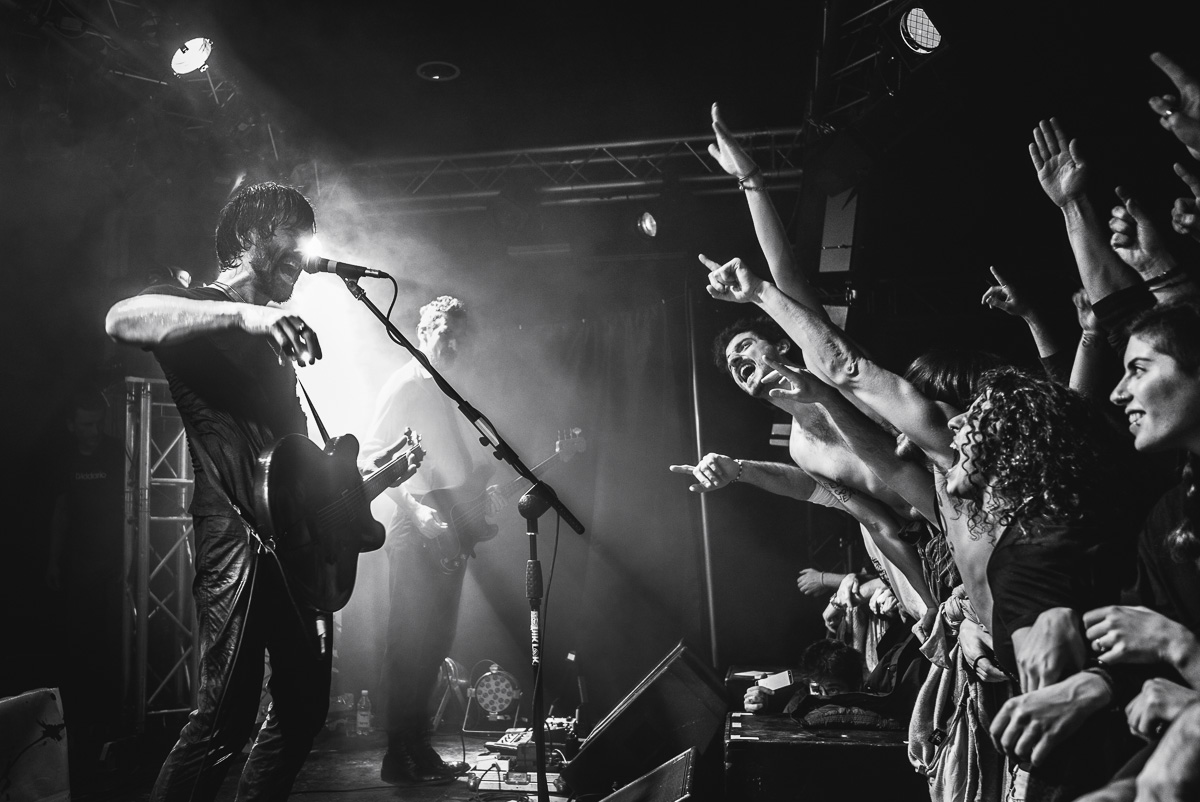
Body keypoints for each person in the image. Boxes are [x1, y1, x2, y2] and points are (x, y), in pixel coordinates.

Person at [104, 182, 412, 801]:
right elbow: (120, 319)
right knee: (224, 719)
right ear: (250, 236)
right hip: (237, 543)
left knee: (302, 707)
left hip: (287, 548)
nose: (305, 253)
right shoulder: (203, 307)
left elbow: (295, 477)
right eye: (293, 235)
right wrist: (248, 315)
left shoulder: (276, 344)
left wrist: (371, 481)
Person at [359, 295, 503, 787]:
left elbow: (457, 465)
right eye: (445, 334)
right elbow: (370, 456)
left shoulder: (451, 391)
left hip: (450, 528)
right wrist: (414, 508)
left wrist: (482, 496)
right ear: (423, 334)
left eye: (461, 336)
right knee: (408, 643)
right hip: (416, 524)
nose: (454, 344)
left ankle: (417, 747)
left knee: (436, 642)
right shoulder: (406, 383)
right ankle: (396, 754)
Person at [45, 388, 126, 791]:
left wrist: (130, 563)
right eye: (86, 424)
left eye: (98, 423)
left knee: (113, 650)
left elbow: (136, 506)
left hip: (114, 569)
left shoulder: (116, 453)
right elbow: (61, 511)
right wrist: (53, 561)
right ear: (71, 425)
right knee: (80, 650)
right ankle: (79, 732)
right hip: (79, 569)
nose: (93, 431)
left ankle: (112, 730)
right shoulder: (66, 459)